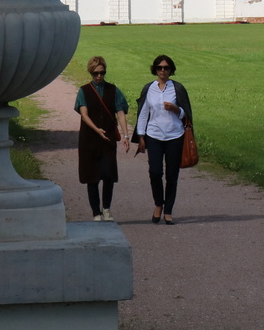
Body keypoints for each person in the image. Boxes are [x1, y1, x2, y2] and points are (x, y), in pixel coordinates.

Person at [133, 54, 192, 225]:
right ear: (155, 70)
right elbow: (143, 113)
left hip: (175, 135)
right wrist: (141, 136)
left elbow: (185, 115)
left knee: (172, 175)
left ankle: (168, 210)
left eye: (166, 68)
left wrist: (175, 109)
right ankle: (159, 203)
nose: (163, 71)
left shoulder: (177, 88)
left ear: (171, 70)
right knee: (155, 172)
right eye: (159, 68)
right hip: (154, 136)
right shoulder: (149, 88)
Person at [76, 56, 130, 221]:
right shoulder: (84, 91)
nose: (99, 76)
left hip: (107, 139)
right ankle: (95, 212)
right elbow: (84, 114)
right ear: (91, 73)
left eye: (102, 72)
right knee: (92, 176)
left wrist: (126, 135)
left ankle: (106, 208)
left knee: (108, 175)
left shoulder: (113, 90)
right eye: (95, 73)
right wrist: (96, 129)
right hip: (89, 139)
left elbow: (120, 112)